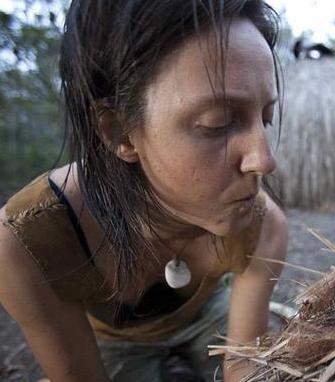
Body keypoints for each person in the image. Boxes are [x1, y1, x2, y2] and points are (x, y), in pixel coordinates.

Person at [0, 1, 288, 381]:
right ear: (119, 132)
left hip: (211, 316)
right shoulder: (28, 247)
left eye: (265, 117)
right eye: (217, 123)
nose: (264, 161)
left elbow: (243, 366)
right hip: (112, 341)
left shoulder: (262, 225)